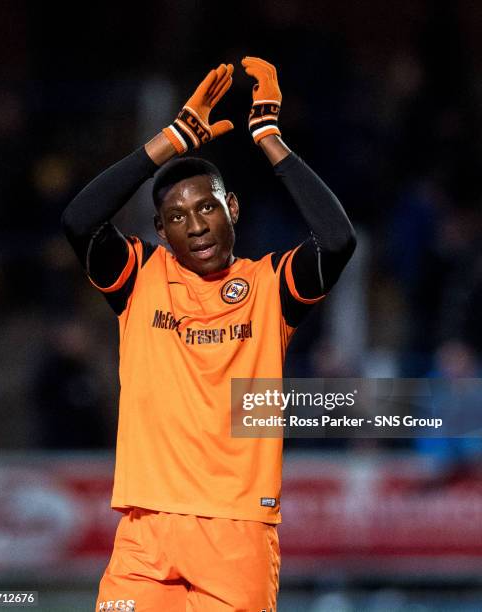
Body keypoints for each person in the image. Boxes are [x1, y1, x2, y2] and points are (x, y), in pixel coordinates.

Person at [62, 57, 356, 612]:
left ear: (232, 209)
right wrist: (169, 142)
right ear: (160, 231)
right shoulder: (140, 279)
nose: (195, 225)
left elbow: (338, 240)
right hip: (145, 536)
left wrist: (268, 137)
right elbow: (79, 221)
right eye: (176, 217)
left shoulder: (270, 286)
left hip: (235, 534)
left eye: (207, 208)